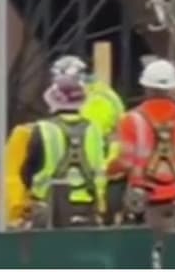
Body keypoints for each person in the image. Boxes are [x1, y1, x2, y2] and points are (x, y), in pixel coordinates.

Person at [112, 58, 175, 234]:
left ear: (146, 87)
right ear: (172, 89)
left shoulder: (131, 120)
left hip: (143, 200)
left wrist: (104, 171)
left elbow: (123, 163)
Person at [12, 76, 108, 228]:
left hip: (48, 209)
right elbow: (102, 166)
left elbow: (27, 171)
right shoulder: (94, 129)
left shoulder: (42, 129)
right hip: (88, 208)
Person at [50, 55, 127, 224]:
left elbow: (89, 151)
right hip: (107, 177)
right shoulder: (102, 94)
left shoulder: (95, 103)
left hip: (103, 183)